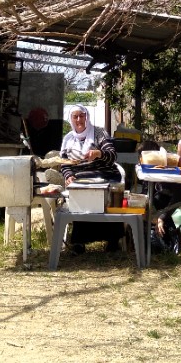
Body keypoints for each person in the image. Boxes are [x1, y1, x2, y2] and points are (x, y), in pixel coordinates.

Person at [60, 104, 124, 253]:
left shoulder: (99, 133)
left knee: (105, 195)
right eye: (75, 117)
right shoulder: (68, 139)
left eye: (81, 116)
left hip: (105, 173)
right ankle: (80, 241)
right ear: (71, 119)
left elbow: (112, 155)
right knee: (80, 194)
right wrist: (68, 175)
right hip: (81, 178)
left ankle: (113, 240)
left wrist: (99, 153)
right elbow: (63, 164)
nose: (79, 119)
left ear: (86, 117)